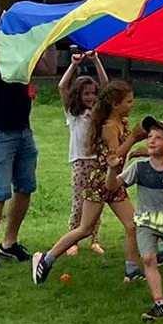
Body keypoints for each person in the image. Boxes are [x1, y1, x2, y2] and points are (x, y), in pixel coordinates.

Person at [33, 80, 146, 284]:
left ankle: (132, 271)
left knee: (132, 225)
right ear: (115, 104)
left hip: (114, 181)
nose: (132, 105)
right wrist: (133, 140)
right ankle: (46, 258)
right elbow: (115, 157)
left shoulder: (122, 122)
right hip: (100, 183)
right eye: (128, 101)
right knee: (85, 229)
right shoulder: (110, 127)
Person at [0, 31, 56, 270]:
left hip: (22, 128)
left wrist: (48, 38)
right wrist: (2, 30)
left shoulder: (25, 44)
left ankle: (9, 244)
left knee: (25, 187)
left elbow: (48, 68)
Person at [109, 117, 163, 322]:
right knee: (149, 259)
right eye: (150, 136)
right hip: (146, 223)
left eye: (159, 137)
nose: (151, 140)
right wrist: (112, 170)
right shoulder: (139, 168)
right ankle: (160, 304)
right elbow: (113, 186)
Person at [59, 50, 108, 257]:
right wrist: (73, 65)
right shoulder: (73, 114)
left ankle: (94, 239)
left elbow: (107, 87)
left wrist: (96, 60)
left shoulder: (98, 112)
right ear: (78, 95)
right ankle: (74, 239)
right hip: (80, 162)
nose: (91, 97)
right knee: (79, 202)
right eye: (86, 93)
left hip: (98, 162)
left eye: (93, 93)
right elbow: (62, 86)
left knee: (96, 202)